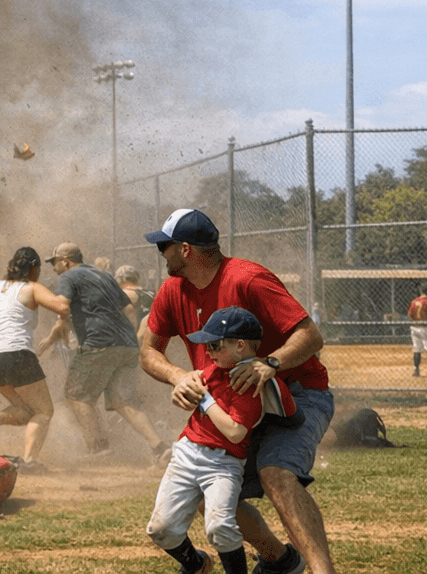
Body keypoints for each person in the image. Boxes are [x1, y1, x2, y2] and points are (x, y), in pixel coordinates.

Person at [140, 208, 334, 574]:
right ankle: (280, 561)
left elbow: (310, 336)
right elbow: (149, 351)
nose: (161, 254)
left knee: (276, 473)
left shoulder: (248, 279)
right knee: (200, 486)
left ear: (185, 250)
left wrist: (270, 363)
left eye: (164, 246)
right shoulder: (172, 291)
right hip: (232, 403)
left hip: (294, 393)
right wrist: (177, 376)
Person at [147, 307, 294, 574]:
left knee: (220, 527)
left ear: (240, 345)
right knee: (160, 529)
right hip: (186, 454)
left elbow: (235, 432)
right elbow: (192, 386)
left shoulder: (250, 383)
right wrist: (181, 389)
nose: (208, 352)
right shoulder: (214, 370)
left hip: (222, 464)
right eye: (207, 346)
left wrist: (205, 400)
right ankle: (196, 564)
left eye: (215, 345)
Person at [40, 243, 170, 463]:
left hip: (98, 343)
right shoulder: (106, 276)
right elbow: (129, 309)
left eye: (55, 262)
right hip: (127, 345)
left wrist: (36, 295)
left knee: (76, 395)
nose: (53, 268)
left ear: (66, 261)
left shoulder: (68, 277)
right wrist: (129, 341)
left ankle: (99, 448)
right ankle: (160, 448)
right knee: (123, 401)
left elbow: (62, 307)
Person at [0, 246, 71, 469]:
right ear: (33, 268)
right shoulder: (32, 288)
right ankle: (30, 461)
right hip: (16, 354)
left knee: (26, 411)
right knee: (44, 411)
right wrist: (68, 289)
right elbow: (62, 307)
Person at [117, 264, 156, 341]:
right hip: (155, 336)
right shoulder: (151, 292)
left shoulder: (126, 293)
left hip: (139, 338)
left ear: (120, 280)